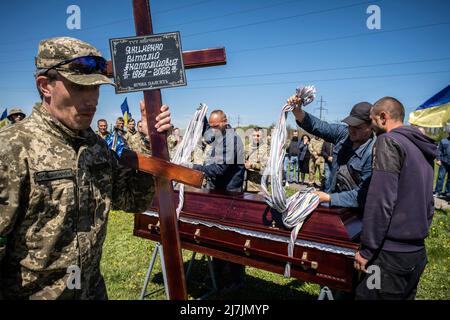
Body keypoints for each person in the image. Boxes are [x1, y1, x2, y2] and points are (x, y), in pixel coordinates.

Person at [0, 36, 172, 300]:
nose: (92, 100)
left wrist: (150, 141)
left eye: (96, 89)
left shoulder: (96, 147)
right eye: (79, 88)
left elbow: (130, 200)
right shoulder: (12, 149)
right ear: (45, 86)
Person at [354, 97, 437, 300]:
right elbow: (429, 200)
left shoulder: (388, 142)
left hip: (390, 256)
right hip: (416, 253)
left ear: (383, 117)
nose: (373, 129)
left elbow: (381, 200)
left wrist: (367, 250)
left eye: (372, 121)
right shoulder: (420, 145)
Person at [190, 109, 245, 292]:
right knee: (216, 235)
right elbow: (206, 129)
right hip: (218, 193)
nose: (213, 129)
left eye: (216, 125)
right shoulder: (219, 134)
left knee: (230, 238)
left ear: (225, 121)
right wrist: (202, 116)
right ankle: (217, 272)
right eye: (211, 126)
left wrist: (193, 167)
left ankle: (237, 281)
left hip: (230, 196)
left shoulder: (231, 141)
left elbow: (219, 170)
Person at [287, 95, 376, 208]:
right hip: (334, 202)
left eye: (357, 127)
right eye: (350, 125)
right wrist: (297, 111)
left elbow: (364, 195)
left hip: (355, 213)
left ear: (371, 126)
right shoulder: (343, 134)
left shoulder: (374, 152)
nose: (351, 130)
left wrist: (328, 198)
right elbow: (318, 126)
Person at [244, 127, 268, 193]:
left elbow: (266, 167)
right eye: (254, 135)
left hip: (258, 187)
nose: (255, 137)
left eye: (258, 136)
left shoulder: (266, 149)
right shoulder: (247, 147)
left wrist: (252, 165)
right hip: (245, 185)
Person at [434, 129, 450, 198]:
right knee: (441, 177)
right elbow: (439, 151)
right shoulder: (443, 141)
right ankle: (438, 191)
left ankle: (447, 193)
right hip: (443, 162)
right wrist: (438, 159)